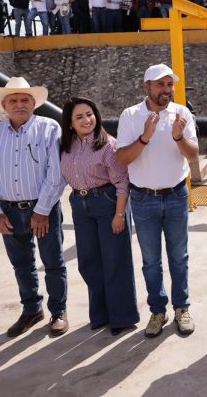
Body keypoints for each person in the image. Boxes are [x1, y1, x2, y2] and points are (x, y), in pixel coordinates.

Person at [0, 77, 68, 337]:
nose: (19, 104)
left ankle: (58, 311)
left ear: (34, 104)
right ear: (4, 106)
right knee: (21, 264)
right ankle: (31, 310)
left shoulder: (50, 129)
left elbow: (57, 173)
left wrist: (42, 210)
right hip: (8, 211)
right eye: (13, 100)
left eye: (25, 99)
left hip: (43, 208)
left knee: (53, 262)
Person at [115, 63, 198, 338]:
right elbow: (122, 159)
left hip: (176, 195)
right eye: (160, 84)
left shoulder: (182, 113)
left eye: (169, 84)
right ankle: (157, 311)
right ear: (146, 87)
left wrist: (177, 136)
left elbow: (194, 154)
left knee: (179, 257)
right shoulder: (130, 116)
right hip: (143, 199)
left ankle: (181, 308)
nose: (166, 90)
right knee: (151, 260)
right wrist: (145, 137)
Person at [60, 97, 140, 336]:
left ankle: (121, 317)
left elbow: (122, 182)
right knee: (88, 261)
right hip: (79, 204)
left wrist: (119, 214)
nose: (87, 120)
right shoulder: (65, 145)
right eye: (80, 117)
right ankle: (100, 314)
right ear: (70, 123)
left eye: (90, 114)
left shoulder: (108, 145)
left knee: (115, 260)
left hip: (108, 202)